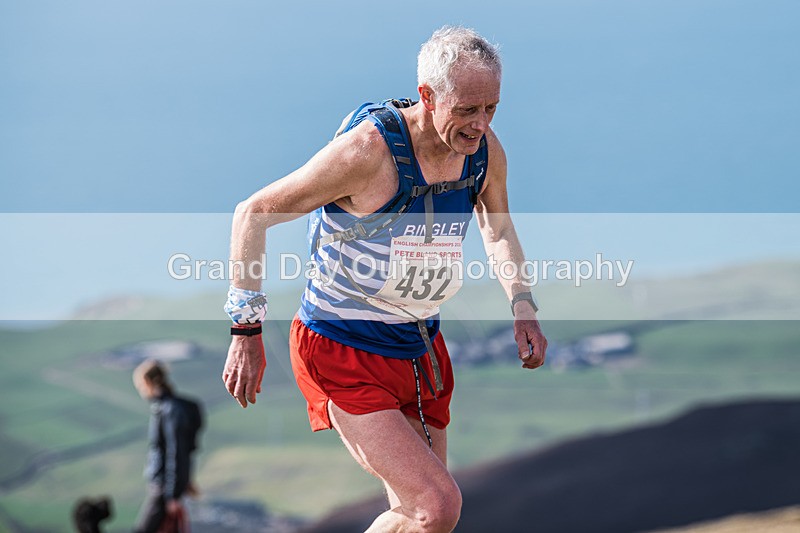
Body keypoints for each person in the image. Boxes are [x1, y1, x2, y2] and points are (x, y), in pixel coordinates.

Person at [222, 26, 547, 532]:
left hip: (418, 347)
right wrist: (245, 331)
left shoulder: (483, 151)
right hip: (341, 347)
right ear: (427, 96)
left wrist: (523, 305)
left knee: (423, 519)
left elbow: (497, 227)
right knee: (437, 505)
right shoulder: (366, 153)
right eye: (467, 109)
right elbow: (253, 213)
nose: (480, 124)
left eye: (491, 108)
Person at [133, 359, 202, 533]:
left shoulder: (169, 410)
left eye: (140, 385)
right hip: (168, 486)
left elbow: (176, 452)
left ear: (148, 382)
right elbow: (185, 450)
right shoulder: (170, 407)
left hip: (163, 487)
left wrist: (173, 495)